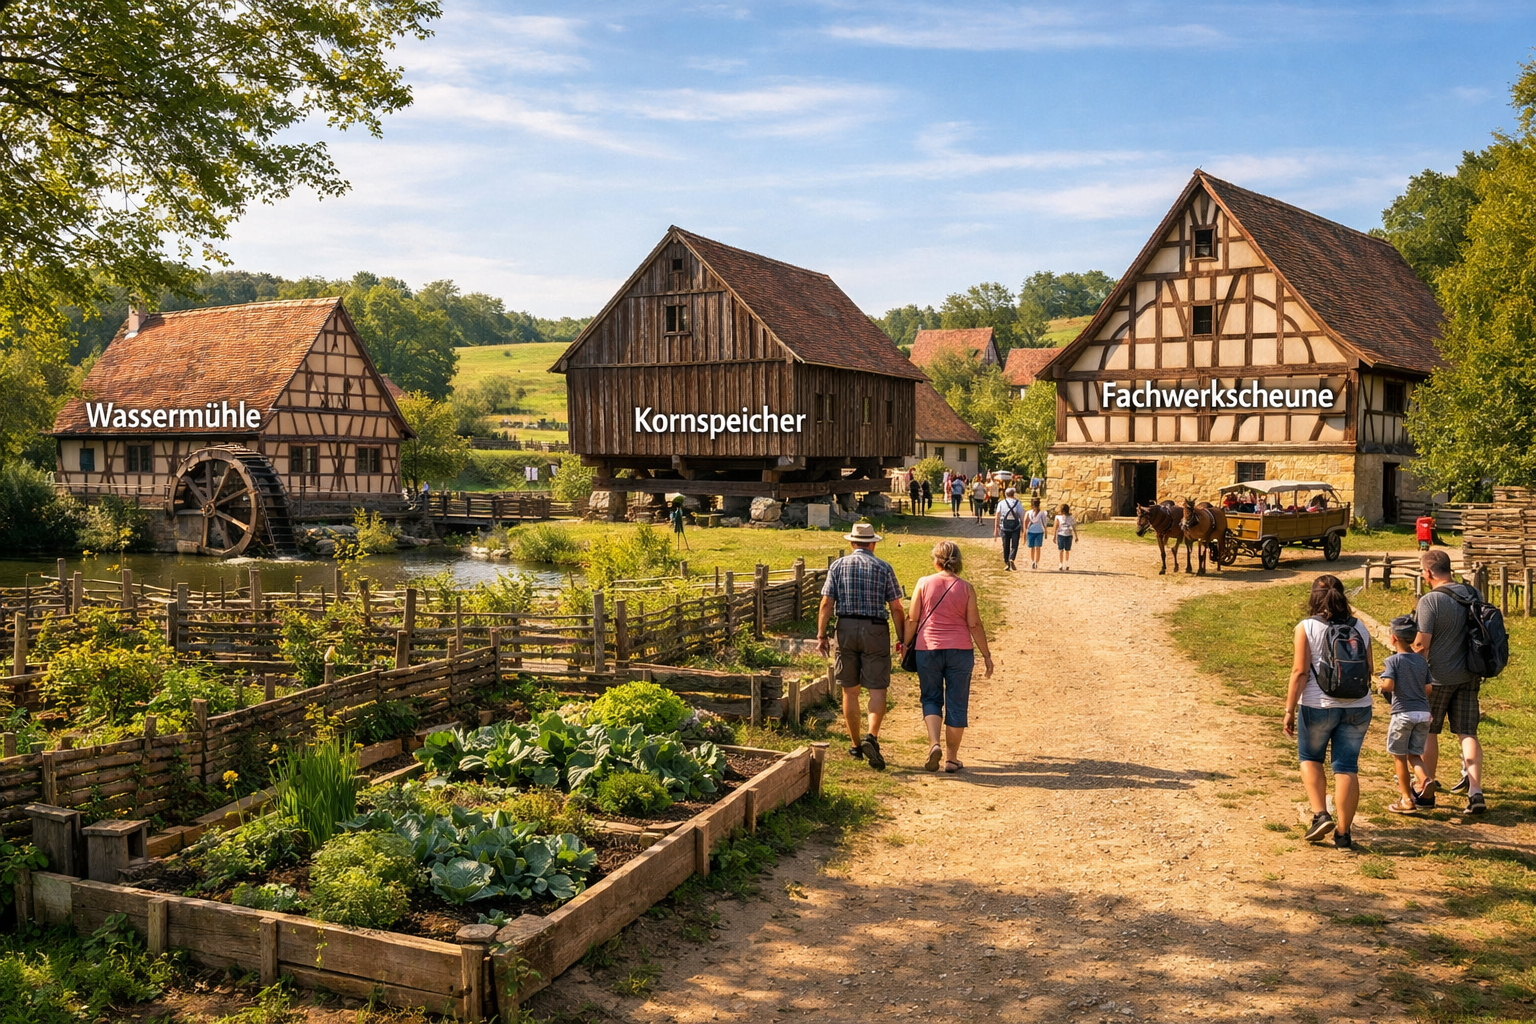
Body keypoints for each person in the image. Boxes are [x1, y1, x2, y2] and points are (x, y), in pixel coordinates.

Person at [1283, 575, 1373, 848]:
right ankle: (1344, 834)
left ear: (1313, 597)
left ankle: (1321, 814)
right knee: (1346, 766)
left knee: (1310, 757)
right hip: (1358, 705)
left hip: (1317, 704)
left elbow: (1299, 671)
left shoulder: (1306, 627)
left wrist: (1289, 710)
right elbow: (1368, 669)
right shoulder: (1361, 626)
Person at [817, 522, 908, 771]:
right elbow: (896, 607)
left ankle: (856, 745)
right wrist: (902, 638)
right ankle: (872, 736)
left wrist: (821, 634)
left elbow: (826, 602)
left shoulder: (838, 566)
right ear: (873, 543)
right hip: (875, 628)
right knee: (877, 688)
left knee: (850, 691)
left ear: (851, 543)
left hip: (845, 627)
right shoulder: (883, 567)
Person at [904, 541, 994, 774]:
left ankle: (934, 744)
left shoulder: (923, 583)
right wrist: (986, 654)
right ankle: (952, 759)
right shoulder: (966, 588)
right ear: (959, 562)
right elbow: (974, 623)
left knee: (931, 698)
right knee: (957, 702)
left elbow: (913, 619)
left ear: (935, 560)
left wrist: (905, 644)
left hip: (928, 649)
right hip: (960, 651)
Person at [1412, 549, 1487, 813]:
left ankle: (1425, 789)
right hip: (1469, 674)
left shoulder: (1429, 601)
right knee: (1467, 732)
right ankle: (1476, 790)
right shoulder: (1473, 594)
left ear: (1429, 572)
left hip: (1437, 678)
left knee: (1429, 731)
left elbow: (1421, 645)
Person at [1380, 614, 1433, 815]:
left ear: (1393, 638)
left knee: (1399, 757)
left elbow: (1389, 685)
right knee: (1414, 755)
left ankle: (1406, 799)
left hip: (1403, 714)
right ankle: (1425, 780)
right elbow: (1428, 689)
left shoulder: (1392, 661)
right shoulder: (1421, 661)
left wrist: (1380, 684)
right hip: (1423, 714)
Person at [994, 487, 1024, 571]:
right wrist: (1023, 527)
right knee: (1014, 545)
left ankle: (1007, 562)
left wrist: (996, 527)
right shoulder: (1018, 503)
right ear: (1013, 494)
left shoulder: (1001, 503)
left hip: (1004, 527)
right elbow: (1022, 515)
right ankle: (1012, 558)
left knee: (1005, 545)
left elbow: (997, 515)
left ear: (1006, 494)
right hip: (1015, 527)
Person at [1023, 497, 1049, 570]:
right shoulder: (1029, 513)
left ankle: (1036, 561)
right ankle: (1033, 561)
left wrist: (1045, 531)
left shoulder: (1042, 513)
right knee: (1032, 547)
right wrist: (1025, 532)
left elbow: (1044, 523)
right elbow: (1025, 522)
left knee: (1037, 547)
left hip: (1039, 531)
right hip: (1031, 531)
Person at [1050, 503, 1076, 570]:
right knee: (1061, 550)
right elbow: (1056, 527)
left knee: (1067, 550)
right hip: (1061, 534)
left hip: (1068, 535)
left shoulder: (1071, 517)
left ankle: (1066, 563)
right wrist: (1054, 536)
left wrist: (1076, 536)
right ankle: (1061, 563)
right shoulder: (1058, 517)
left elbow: (1073, 526)